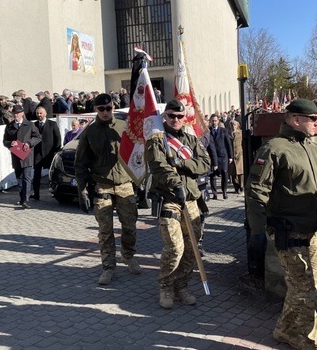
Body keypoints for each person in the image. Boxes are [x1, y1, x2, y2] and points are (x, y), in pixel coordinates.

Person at [246, 99, 317, 350]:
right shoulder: (273, 150)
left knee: (305, 289)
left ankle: (283, 330)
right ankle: (314, 347)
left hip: (314, 234)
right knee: (306, 294)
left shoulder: (315, 150)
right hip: (288, 234)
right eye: (312, 118)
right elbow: (256, 193)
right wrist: (257, 232)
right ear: (294, 119)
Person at [146, 99, 211, 309]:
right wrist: (176, 184)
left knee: (192, 248)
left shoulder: (191, 140)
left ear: (185, 118)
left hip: (191, 200)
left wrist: (181, 163)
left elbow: (205, 163)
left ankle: (181, 286)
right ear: (165, 116)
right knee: (175, 247)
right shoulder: (157, 140)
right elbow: (159, 166)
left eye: (180, 116)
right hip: (169, 200)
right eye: (172, 115)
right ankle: (165, 286)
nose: (175, 120)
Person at [74, 93, 141, 285]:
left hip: (125, 185)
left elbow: (138, 154)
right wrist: (82, 191)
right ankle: (108, 266)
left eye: (108, 108)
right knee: (105, 230)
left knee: (129, 226)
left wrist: (142, 182)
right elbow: (80, 165)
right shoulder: (89, 132)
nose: (105, 112)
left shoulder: (124, 128)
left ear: (113, 107)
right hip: (102, 185)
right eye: (101, 109)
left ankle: (128, 256)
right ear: (95, 109)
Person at [3, 106, 41, 209]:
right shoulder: (9, 126)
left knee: (26, 177)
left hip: (27, 155)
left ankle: (26, 200)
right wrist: (11, 143)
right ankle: (21, 198)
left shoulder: (29, 125)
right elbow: (5, 141)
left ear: (22, 114)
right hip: (16, 155)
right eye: (14, 113)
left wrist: (29, 143)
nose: (16, 115)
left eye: (18, 113)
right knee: (19, 179)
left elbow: (37, 137)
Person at [32, 106, 61, 200]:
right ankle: (36, 193)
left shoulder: (52, 124)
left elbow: (58, 138)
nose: (39, 115)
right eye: (37, 113)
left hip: (49, 153)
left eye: (40, 113)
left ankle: (55, 192)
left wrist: (56, 151)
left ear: (45, 114)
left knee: (53, 174)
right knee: (36, 174)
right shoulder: (34, 125)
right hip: (38, 154)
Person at [208, 114, 233, 199]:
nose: (214, 122)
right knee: (212, 175)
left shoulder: (223, 131)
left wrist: (230, 156)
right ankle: (214, 193)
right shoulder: (208, 131)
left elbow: (228, 144)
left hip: (223, 155)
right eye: (212, 121)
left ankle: (224, 191)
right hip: (212, 156)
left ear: (218, 121)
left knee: (224, 173)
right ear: (210, 122)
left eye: (215, 121)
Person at [228, 119, 244, 194]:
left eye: (234, 125)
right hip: (231, 155)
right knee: (233, 173)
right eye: (232, 125)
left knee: (240, 171)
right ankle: (236, 186)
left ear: (237, 125)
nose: (233, 126)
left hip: (239, 154)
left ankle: (241, 186)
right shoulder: (228, 134)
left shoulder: (240, 133)